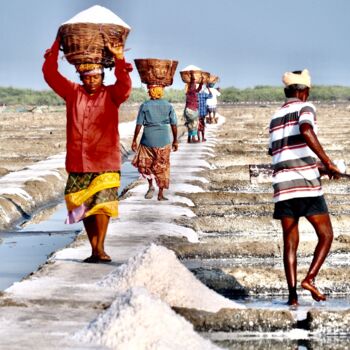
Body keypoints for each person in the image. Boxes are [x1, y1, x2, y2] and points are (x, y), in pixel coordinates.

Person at [43, 37, 132, 263]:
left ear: (103, 77)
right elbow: (51, 75)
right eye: (88, 77)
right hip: (78, 161)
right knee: (82, 204)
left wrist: (119, 58)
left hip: (105, 160)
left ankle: (100, 247)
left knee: (102, 204)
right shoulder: (72, 93)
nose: (92, 80)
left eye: (96, 76)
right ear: (81, 78)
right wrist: (56, 47)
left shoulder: (112, 94)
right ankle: (94, 249)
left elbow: (126, 86)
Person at [268, 69, 341, 306]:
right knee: (326, 235)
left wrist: (322, 168)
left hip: (283, 187)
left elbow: (283, 155)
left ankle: (292, 298)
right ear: (304, 91)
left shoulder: (275, 117)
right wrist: (329, 162)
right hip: (306, 186)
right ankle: (309, 278)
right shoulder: (305, 108)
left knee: (290, 242)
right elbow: (306, 130)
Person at [132, 85, 178, 200]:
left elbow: (139, 124)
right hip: (164, 140)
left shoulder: (145, 105)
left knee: (147, 164)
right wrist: (175, 140)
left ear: (151, 92)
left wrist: (134, 140)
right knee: (163, 166)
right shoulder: (168, 105)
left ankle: (151, 185)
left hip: (147, 140)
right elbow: (174, 124)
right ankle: (160, 194)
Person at [184, 71, 203, 143]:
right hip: (192, 110)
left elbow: (198, 89)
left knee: (190, 124)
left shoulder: (188, 92)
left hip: (188, 110)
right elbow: (197, 88)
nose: (195, 85)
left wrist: (201, 83)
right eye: (194, 84)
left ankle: (189, 139)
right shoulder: (192, 91)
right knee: (194, 124)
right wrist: (193, 77)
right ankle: (193, 138)